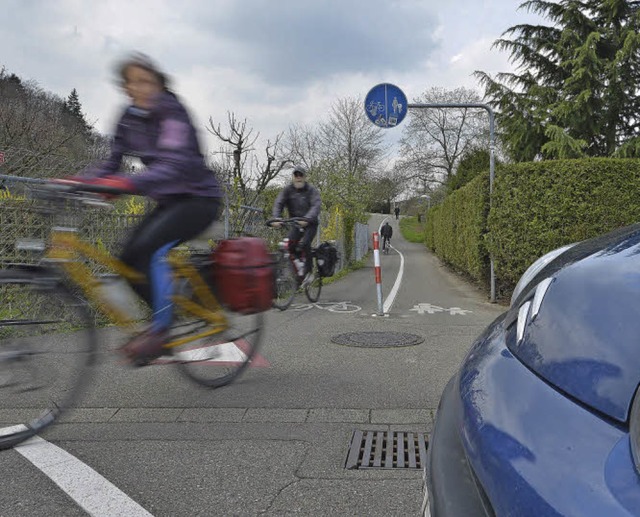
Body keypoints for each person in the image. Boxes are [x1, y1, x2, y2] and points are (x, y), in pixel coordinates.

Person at [73, 52, 223, 365]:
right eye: (132, 82)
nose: (140, 88)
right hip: (168, 201)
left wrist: (125, 185)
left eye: (146, 81)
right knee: (126, 259)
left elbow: (173, 165)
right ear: (125, 87)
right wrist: (76, 182)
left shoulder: (172, 113)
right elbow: (111, 163)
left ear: (158, 83)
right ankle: (162, 318)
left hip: (200, 199)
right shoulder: (128, 118)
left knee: (148, 249)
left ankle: (162, 330)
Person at [270, 165, 321, 284]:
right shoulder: (287, 190)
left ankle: (308, 272)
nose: (298, 177)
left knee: (305, 244)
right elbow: (279, 203)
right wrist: (276, 218)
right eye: (296, 175)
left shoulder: (311, 190)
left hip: (310, 223)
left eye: (301, 175)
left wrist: (307, 219)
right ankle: (299, 267)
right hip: (295, 223)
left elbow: (316, 206)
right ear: (293, 177)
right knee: (289, 245)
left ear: (304, 177)